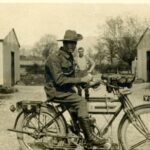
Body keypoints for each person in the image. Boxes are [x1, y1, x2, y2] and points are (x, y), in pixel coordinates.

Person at [44, 30, 107, 147]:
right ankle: (90, 138)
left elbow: (73, 76)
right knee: (81, 101)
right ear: (64, 43)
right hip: (55, 91)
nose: (72, 46)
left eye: (74, 43)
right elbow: (60, 80)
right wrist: (81, 80)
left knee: (78, 104)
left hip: (64, 90)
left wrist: (90, 82)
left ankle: (76, 132)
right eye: (69, 43)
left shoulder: (69, 57)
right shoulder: (54, 58)